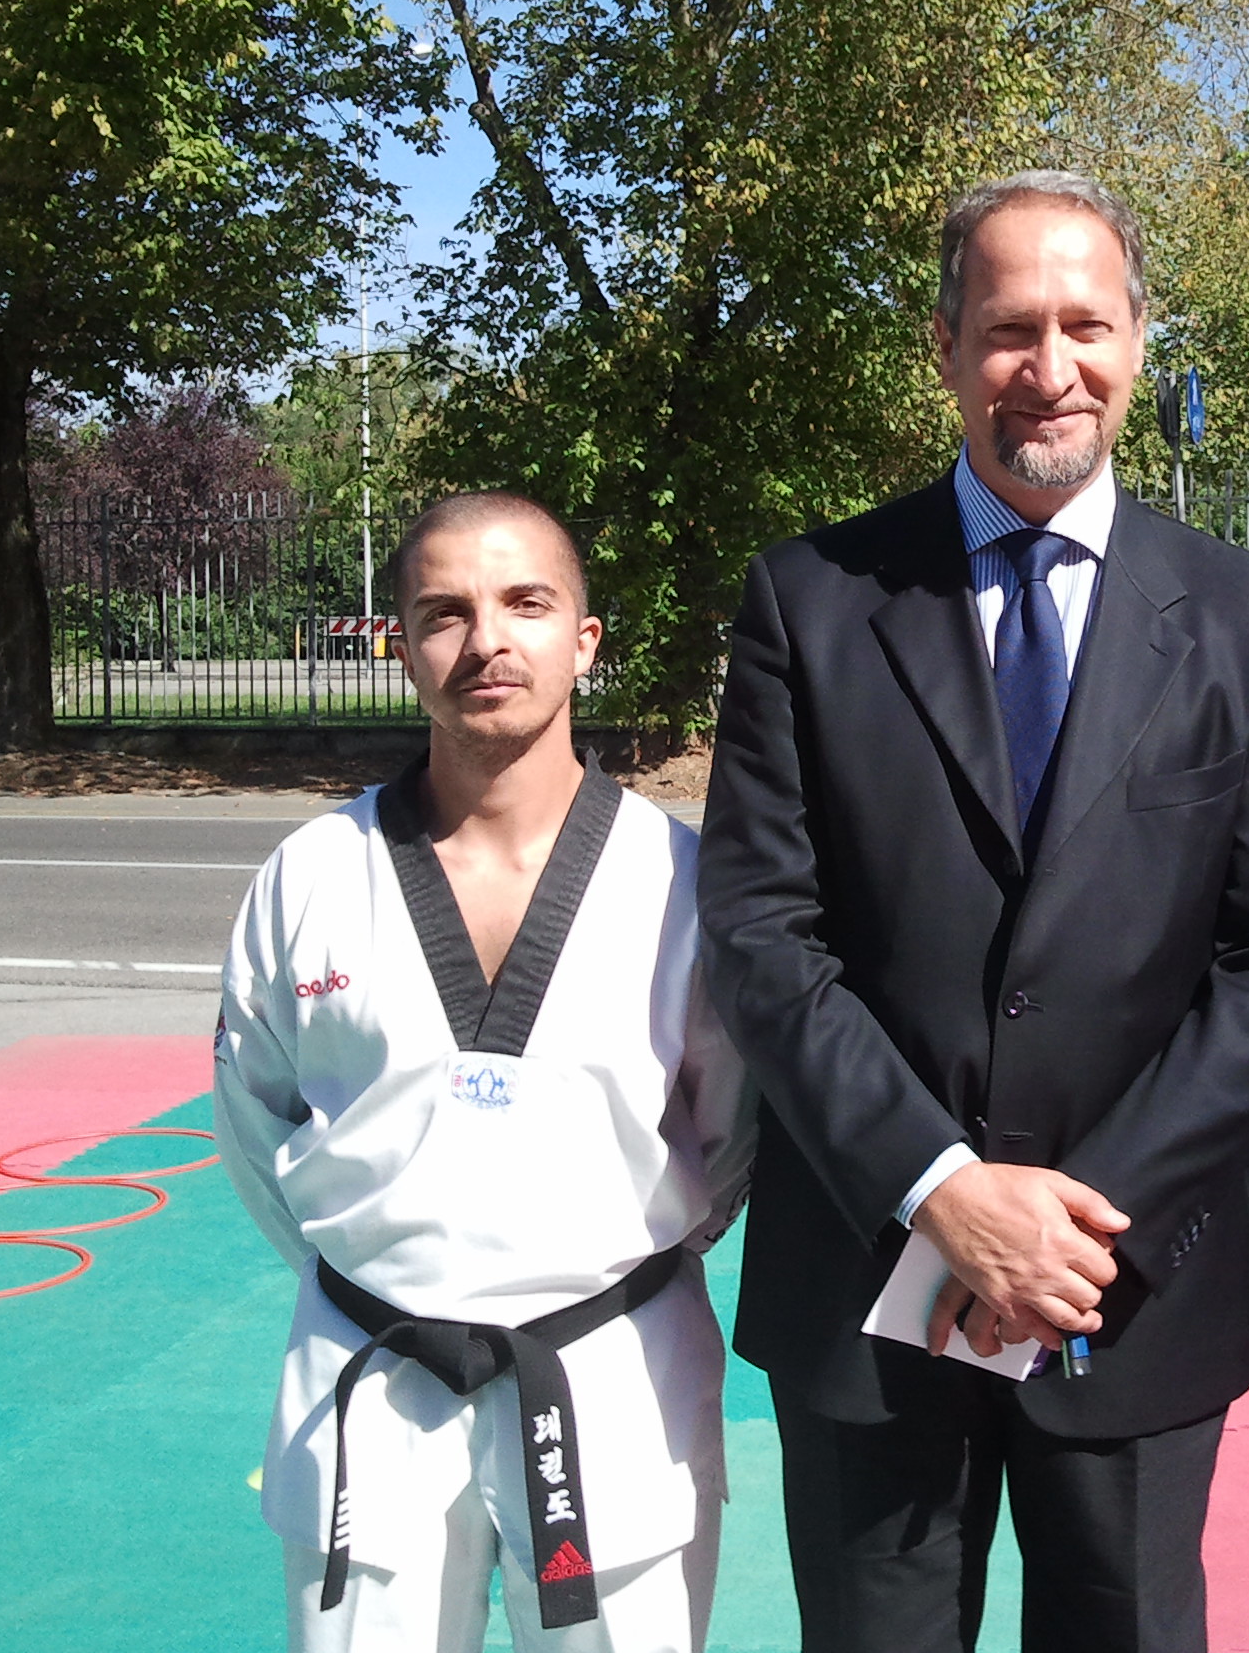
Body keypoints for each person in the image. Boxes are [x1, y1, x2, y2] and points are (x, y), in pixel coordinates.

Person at [697, 170, 1249, 1653]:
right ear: (943, 347)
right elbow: (759, 933)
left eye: (1084, 325)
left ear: (1137, 341)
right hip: (870, 1280)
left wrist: (1071, 1233)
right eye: (1007, 329)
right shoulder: (809, 600)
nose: (1048, 367)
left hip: (1131, 1288)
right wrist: (942, 1190)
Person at [213, 493, 752, 1653]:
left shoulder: (683, 882)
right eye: (444, 613)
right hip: (370, 1367)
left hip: (614, 1372)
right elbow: (255, 1123)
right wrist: (388, 1263)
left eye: (525, 603)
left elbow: (730, 1133)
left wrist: (602, 1259)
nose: (486, 641)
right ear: (403, 645)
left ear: (584, 640)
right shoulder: (312, 876)